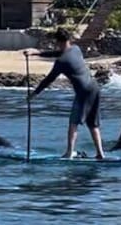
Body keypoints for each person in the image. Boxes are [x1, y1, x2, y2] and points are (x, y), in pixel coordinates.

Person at [27, 29, 105, 160]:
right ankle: (100, 154)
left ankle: (69, 153)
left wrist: (35, 94)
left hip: (83, 91)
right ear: (68, 39)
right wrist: (36, 53)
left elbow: (49, 79)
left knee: (73, 123)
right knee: (92, 124)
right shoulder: (76, 49)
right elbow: (58, 52)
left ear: (57, 41)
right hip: (94, 87)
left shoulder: (61, 62)